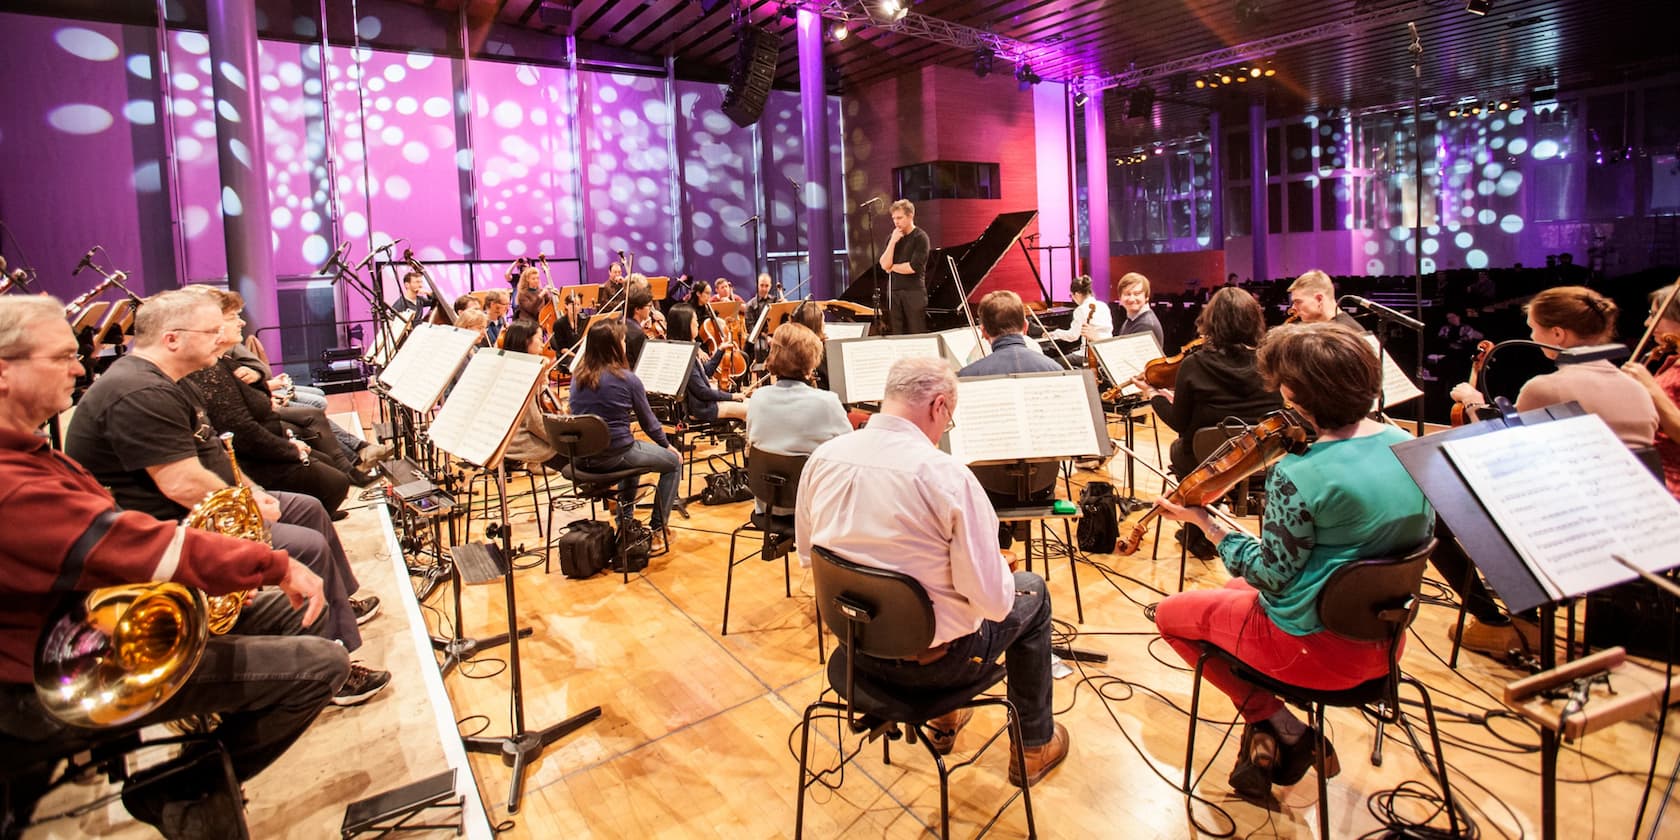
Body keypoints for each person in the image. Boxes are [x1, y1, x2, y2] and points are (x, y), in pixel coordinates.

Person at [0, 295, 349, 838]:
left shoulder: (31, 452)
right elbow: (128, 543)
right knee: (316, 665)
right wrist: (265, 564)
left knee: (294, 616)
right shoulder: (14, 481)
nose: (79, 368)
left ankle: (210, 748)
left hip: (95, 624)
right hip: (67, 667)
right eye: (63, 356)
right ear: (4, 373)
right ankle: (180, 789)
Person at [1153, 322, 1435, 802]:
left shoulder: (1299, 471)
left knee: (1170, 617)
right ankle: (1265, 739)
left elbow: (1269, 574)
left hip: (1313, 649)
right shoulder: (1407, 444)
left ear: (1295, 394)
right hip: (1386, 639)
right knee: (1226, 595)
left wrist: (1207, 523)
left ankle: (1282, 726)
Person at [63, 290, 389, 703]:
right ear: (172, 339)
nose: (222, 338)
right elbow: (180, 484)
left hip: (211, 503)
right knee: (304, 545)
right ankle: (330, 671)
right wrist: (249, 506)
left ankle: (337, 614)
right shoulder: (138, 392)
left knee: (306, 508)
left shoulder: (171, 380)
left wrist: (253, 492)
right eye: (212, 330)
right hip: (172, 524)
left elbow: (218, 451)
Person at [796, 357, 1070, 787]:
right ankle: (1033, 745)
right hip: (936, 667)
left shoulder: (823, 458)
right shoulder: (946, 476)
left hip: (855, 653)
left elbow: (812, 558)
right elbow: (995, 606)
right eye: (949, 419)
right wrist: (996, 568)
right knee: (1029, 591)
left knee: (935, 597)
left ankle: (945, 722)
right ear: (939, 406)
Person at [1441, 286, 1658, 656]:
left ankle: (1506, 623)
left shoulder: (1548, 387)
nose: (1530, 337)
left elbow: (1507, 456)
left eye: (1534, 329)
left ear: (1558, 335)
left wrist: (1475, 404)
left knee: (1438, 518)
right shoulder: (1636, 388)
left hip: (1570, 527)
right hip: (1635, 523)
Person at [181, 289, 363, 515]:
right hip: (254, 460)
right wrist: (288, 449)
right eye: (233, 317)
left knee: (324, 452)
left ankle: (353, 457)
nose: (242, 322)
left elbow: (260, 371)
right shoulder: (209, 371)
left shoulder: (224, 360)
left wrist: (261, 382)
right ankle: (349, 463)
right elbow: (244, 432)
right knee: (333, 480)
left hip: (263, 439)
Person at [1135, 287, 1283, 559]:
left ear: (1211, 321)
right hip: (1262, 462)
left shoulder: (1195, 364)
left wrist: (1153, 395)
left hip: (1207, 464)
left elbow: (1179, 422)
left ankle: (1199, 533)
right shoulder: (1271, 361)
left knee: (1180, 449)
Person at [567, 319, 682, 547]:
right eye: (621, 340)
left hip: (582, 458)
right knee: (673, 462)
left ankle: (626, 522)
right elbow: (649, 423)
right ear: (613, 347)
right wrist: (667, 446)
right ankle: (659, 528)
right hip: (614, 455)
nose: (624, 343)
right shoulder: (628, 379)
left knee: (633, 453)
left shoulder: (576, 378)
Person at [745, 323, 850, 515]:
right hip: (813, 508)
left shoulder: (758, 398)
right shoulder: (827, 402)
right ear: (811, 359)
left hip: (767, 503)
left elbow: (751, 443)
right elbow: (849, 455)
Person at [1621, 284, 1680, 500]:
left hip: (1673, 487)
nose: (1648, 324)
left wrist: (1651, 388)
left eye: (1656, 316)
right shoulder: (1672, 363)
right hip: (1654, 475)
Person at [665, 303, 748, 423]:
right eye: (695, 320)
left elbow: (706, 371)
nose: (698, 324)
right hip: (704, 409)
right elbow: (703, 392)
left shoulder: (688, 349)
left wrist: (720, 350)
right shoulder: (686, 357)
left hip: (705, 405)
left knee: (751, 405)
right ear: (685, 324)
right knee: (750, 409)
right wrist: (733, 396)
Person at [499, 321, 565, 469]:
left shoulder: (508, 366)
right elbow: (534, 422)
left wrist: (543, 384)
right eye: (540, 338)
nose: (543, 344)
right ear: (525, 341)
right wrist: (560, 440)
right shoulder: (525, 375)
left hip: (507, 436)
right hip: (519, 441)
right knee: (577, 459)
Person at [879, 199, 932, 335]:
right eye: (894, 218)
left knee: (915, 333)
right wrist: (892, 242)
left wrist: (892, 267)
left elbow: (913, 267)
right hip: (894, 293)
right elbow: (884, 264)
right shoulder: (893, 237)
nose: (896, 222)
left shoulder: (920, 237)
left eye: (900, 218)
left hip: (914, 293)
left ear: (910, 216)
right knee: (897, 334)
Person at [1042, 274, 1112, 367]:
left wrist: (1055, 333)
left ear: (1077, 294)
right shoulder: (1103, 305)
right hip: (1107, 352)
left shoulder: (1081, 309)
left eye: (1071, 296)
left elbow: (1073, 336)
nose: (1073, 299)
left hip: (1089, 355)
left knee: (1054, 363)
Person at [1287, 270, 1363, 331]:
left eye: (1298, 302)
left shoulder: (1340, 335)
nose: (1294, 307)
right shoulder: (1347, 328)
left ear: (1319, 299)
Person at [1115, 272, 1164, 349]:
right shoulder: (1132, 319)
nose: (1131, 299)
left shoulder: (1145, 325)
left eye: (1137, 294)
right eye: (1127, 294)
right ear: (1120, 298)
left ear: (1147, 297)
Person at [547, 291, 585, 373]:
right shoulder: (559, 324)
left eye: (578, 304)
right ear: (566, 305)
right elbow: (563, 349)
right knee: (581, 365)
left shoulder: (584, 320)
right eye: (572, 304)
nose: (575, 307)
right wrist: (577, 357)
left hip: (581, 354)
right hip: (566, 356)